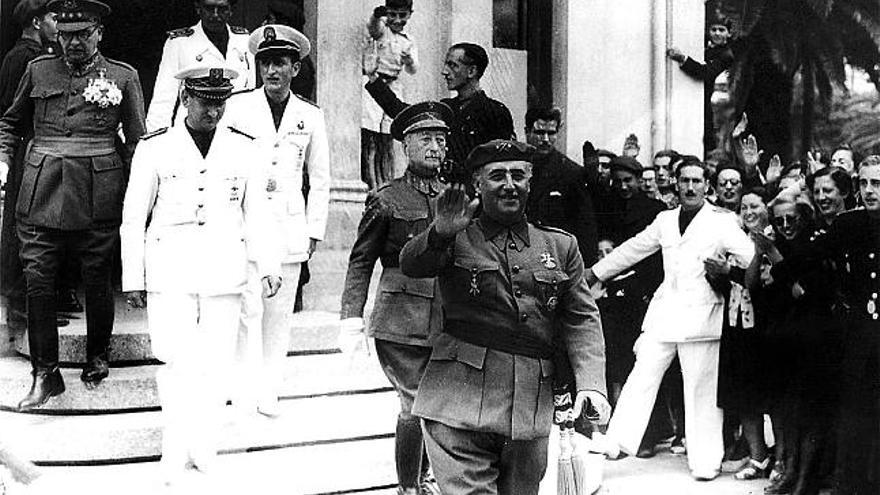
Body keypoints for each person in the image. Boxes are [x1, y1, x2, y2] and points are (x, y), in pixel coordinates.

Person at [399, 139, 610, 495]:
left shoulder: (560, 246)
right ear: (477, 185)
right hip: (458, 400)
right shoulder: (454, 234)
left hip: (529, 406)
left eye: (518, 175)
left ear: (530, 183)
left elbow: (581, 319)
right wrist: (438, 233)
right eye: (497, 176)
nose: (509, 184)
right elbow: (412, 263)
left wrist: (591, 383)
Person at [120, 65, 282, 486]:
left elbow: (257, 213)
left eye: (220, 103)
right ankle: (174, 452)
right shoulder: (155, 147)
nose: (214, 111)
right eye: (206, 102)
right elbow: (134, 217)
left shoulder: (244, 148)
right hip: (169, 271)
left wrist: (268, 265)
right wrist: (132, 277)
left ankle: (204, 447)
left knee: (215, 365)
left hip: (224, 271)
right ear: (186, 99)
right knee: (176, 364)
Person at [0, 0, 146, 410]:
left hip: (98, 187)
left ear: (100, 32)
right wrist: (2, 161)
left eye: (82, 34)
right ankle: (44, 374)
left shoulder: (122, 76)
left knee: (97, 276)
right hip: (41, 185)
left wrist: (140, 197)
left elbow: (137, 142)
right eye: (65, 35)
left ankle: (97, 355)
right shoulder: (37, 70)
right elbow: (10, 123)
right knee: (38, 278)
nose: (73, 43)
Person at [587, 157, 755, 480]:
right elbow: (634, 248)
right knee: (643, 373)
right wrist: (597, 271)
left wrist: (726, 271)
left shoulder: (721, 222)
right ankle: (617, 441)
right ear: (676, 185)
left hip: (703, 316)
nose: (690, 187)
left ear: (707, 185)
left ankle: (706, 460)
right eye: (685, 181)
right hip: (666, 313)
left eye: (697, 181)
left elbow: (750, 259)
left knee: (701, 389)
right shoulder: (665, 220)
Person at [339, 101, 452, 495]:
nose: (435, 147)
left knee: (434, 402)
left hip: (448, 317)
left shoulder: (454, 197)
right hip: (400, 320)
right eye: (426, 139)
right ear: (407, 146)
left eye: (441, 139)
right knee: (414, 401)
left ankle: (425, 479)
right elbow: (361, 260)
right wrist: (350, 317)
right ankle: (409, 486)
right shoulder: (386, 198)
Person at [222, 24, 330, 417]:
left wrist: (314, 231)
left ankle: (268, 389)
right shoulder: (237, 107)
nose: (272, 71)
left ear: (294, 68)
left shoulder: (310, 116)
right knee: (245, 310)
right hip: (245, 224)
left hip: (287, 227)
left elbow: (320, 179)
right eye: (266, 62)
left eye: (280, 63)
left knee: (277, 316)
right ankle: (241, 388)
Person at [0, 0, 59, 328]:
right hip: (27, 148)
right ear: (37, 22)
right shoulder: (23, 58)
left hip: (35, 147)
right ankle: (19, 308)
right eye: (52, 18)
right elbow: (12, 109)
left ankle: (34, 306)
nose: (56, 23)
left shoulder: (36, 54)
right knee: (22, 227)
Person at [364, 42, 514, 169]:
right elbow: (403, 112)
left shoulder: (495, 112)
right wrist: (373, 77)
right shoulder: (446, 109)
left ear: (472, 71)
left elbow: (502, 165)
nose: (444, 72)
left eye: (453, 65)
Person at [145, 0, 253, 131]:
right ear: (198, 8)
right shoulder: (180, 43)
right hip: (193, 130)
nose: (215, 15)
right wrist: (158, 140)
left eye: (222, 9)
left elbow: (251, 91)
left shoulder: (244, 40)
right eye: (209, 8)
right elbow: (163, 98)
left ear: (231, 10)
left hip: (237, 129)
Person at [523, 107, 598, 265]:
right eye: (539, 133)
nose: (545, 139)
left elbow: (585, 225)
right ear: (526, 132)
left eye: (551, 133)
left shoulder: (571, 173)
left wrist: (586, 267)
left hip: (555, 259)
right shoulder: (515, 169)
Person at [360, 0, 419, 190]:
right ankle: (371, 183)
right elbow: (373, 27)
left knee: (388, 136)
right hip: (373, 84)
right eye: (392, 14)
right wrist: (378, 15)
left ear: (410, 14)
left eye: (402, 15)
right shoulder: (381, 31)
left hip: (393, 86)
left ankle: (386, 183)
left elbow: (413, 69)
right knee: (371, 134)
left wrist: (408, 59)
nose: (397, 20)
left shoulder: (408, 40)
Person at [667, 14, 735, 150]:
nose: (717, 33)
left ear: (729, 34)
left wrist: (683, 59)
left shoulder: (726, 55)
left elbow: (706, 73)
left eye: (721, 30)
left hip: (715, 105)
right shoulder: (708, 49)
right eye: (713, 29)